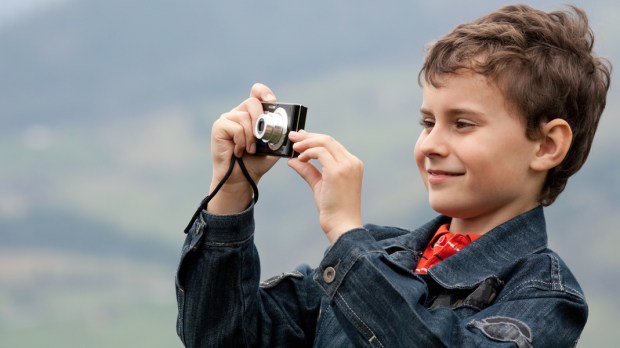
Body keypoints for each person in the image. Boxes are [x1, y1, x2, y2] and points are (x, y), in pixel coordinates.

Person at [175, 4, 611, 347]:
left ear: (547, 145)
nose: (431, 145)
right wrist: (230, 193)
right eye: (427, 123)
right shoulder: (381, 252)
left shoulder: (545, 295)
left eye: (462, 123)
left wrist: (347, 235)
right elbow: (218, 337)